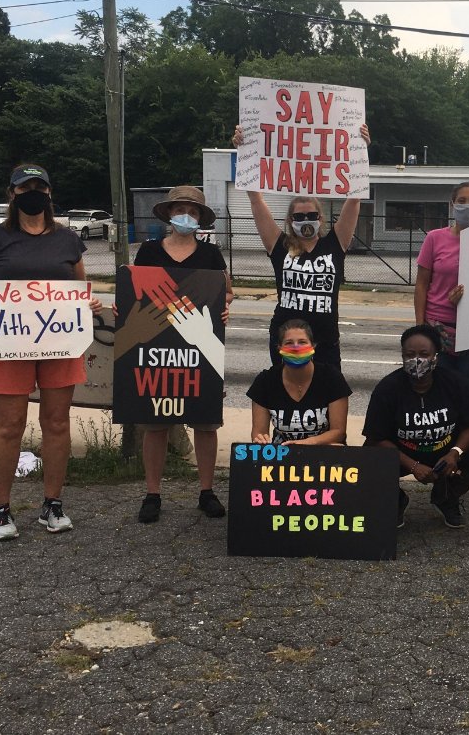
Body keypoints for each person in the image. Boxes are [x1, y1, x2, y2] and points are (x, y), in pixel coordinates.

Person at [0, 163, 102, 540]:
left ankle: (52, 505)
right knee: (9, 427)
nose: (33, 194)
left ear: (50, 194)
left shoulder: (68, 239)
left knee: (56, 424)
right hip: (9, 343)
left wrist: (89, 305)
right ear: (13, 195)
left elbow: (82, 289)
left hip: (59, 342)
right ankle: (1, 509)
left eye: (39, 187)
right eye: (25, 188)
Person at [133, 186, 233, 524]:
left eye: (192, 210)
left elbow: (226, 291)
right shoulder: (148, 251)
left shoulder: (210, 255)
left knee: (205, 421)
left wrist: (224, 306)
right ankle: (152, 493)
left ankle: (206, 491)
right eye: (180, 209)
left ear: (200, 218)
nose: (185, 216)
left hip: (200, 347)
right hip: (157, 350)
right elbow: (134, 292)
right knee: (156, 424)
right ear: (169, 214)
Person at [233, 124, 370, 368]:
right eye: (299, 216)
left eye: (311, 215)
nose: (306, 221)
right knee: (285, 401)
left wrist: (361, 152)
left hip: (325, 342)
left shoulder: (334, 244)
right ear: (289, 221)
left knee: (327, 401)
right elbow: (255, 199)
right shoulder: (280, 246)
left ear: (321, 218)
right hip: (287, 341)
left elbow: (355, 197)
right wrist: (245, 152)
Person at [362, 325, 469, 529]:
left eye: (424, 354)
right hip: (402, 454)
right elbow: (376, 437)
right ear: (402, 356)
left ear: (436, 356)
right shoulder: (387, 388)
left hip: (445, 454)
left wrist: (455, 453)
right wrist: (414, 466)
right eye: (410, 354)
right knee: (366, 457)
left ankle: (446, 497)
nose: (417, 360)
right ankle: (396, 500)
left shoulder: (455, 383)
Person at [414, 182, 469, 419]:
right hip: (439, 330)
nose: (466, 206)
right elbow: (421, 284)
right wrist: (421, 327)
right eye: (461, 200)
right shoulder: (435, 239)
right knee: (438, 393)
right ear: (452, 204)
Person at [247, 318, 351, 445]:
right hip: (283, 452)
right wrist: (260, 440)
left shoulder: (331, 377)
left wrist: (307, 443)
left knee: (337, 446)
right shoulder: (265, 381)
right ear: (279, 348)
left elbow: (339, 432)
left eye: (302, 342)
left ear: (313, 345)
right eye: (289, 343)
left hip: (322, 449)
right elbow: (259, 432)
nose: (296, 348)